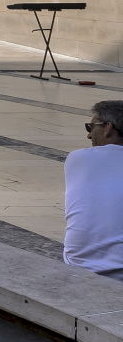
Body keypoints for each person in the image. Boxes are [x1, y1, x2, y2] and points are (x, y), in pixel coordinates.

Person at [64, 101, 123, 278]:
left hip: (78, 266)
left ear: (108, 128)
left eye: (90, 127)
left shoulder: (77, 158)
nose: (89, 136)